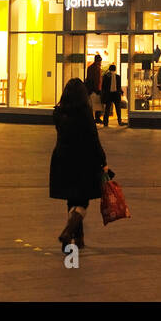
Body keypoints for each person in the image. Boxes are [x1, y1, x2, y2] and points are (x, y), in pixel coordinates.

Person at [49, 78, 108, 250]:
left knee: (71, 199)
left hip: (62, 158)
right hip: (83, 159)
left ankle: (79, 238)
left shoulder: (58, 113)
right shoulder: (84, 113)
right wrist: (103, 160)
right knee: (82, 202)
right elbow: (93, 139)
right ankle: (68, 232)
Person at [85, 53, 103, 124]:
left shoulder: (91, 67)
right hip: (95, 89)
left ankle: (94, 118)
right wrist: (96, 89)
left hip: (93, 88)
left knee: (94, 104)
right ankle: (97, 118)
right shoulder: (95, 68)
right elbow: (95, 79)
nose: (100, 62)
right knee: (96, 104)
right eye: (99, 61)